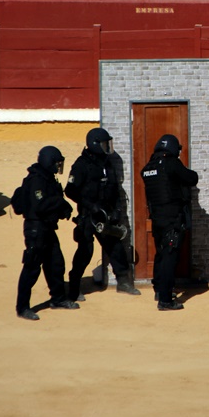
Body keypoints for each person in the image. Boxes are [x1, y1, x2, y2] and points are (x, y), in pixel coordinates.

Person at [65, 128, 139, 302]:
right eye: (105, 144)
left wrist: (116, 211)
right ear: (94, 144)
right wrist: (91, 206)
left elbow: (114, 189)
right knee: (85, 251)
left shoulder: (107, 164)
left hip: (106, 215)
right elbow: (70, 190)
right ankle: (74, 288)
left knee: (115, 247)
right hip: (88, 215)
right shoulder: (81, 164)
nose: (107, 148)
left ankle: (123, 282)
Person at [15, 146, 79, 321]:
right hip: (36, 229)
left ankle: (58, 299)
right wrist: (59, 203)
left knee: (56, 264)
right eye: (57, 163)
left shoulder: (48, 179)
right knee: (32, 268)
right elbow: (40, 206)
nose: (59, 166)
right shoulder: (36, 180)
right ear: (48, 162)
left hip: (48, 228)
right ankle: (22, 307)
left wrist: (62, 208)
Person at [141, 134, 199, 311]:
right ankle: (165, 300)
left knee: (161, 254)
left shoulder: (148, 168)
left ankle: (159, 290)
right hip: (172, 219)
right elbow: (192, 178)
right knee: (169, 258)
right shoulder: (172, 164)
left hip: (157, 218)